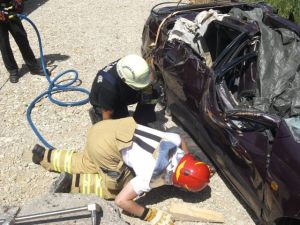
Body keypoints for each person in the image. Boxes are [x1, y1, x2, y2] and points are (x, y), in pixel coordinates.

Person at [32, 117, 211, 225]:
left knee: (88, 162)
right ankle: (73, 182)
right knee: (116, 187)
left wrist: (187, 159)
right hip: (105, 147)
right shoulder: (151, 176)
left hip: (108, 128)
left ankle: (44, 155)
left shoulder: (172, 140)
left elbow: (180, 139)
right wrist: (149, 214)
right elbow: (121, 201)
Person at [89, 54, 161, 126]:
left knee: (154, 91)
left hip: (124, 88)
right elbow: (107, 114)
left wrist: (148, 85)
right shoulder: (107, 88)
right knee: (120, 126)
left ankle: (141, 119)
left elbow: (151, 76)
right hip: (108, 102)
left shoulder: (131, 62)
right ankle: (97, 113)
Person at [0, 0, 47, 83]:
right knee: (4, 45)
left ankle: (33, 66)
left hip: (10, 9)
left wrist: (18, 2)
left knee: (22, 39)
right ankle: (13, 71)